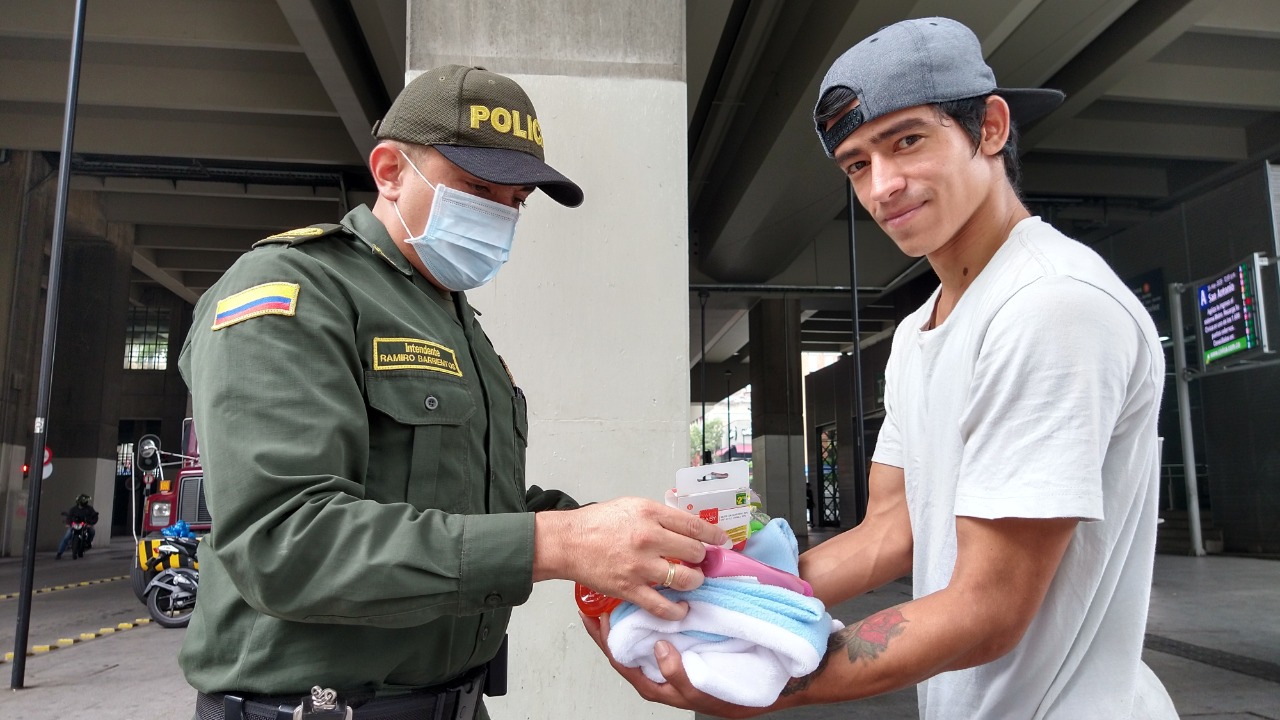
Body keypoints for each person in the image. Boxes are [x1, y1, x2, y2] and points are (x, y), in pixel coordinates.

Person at [584, 17, 1177, 719]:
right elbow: (894, 534)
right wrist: (722, 590)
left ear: (989, 128)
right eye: (858, 164)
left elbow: (989, 608)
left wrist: (769, 680)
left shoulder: (1051, 305)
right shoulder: (920, 331)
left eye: (907, 141)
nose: (883, 186)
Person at [178, 65, 727, 720]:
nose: (499, 215)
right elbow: (285, 542)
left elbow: (469, 499)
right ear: (389, 171)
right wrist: (560, 542)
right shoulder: (294, 292)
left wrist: (620, 531)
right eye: (475, 188)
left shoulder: (455, 321)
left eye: (515, 200)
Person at [55, 493, 98, 559]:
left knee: (92, 531)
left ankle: (88, 543)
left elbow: (94, 516)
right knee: (67, 537)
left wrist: (91, 523)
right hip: (75, 525)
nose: (84, 502)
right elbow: (69, 517)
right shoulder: (73, 509)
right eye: (83, 501)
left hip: (85, 525)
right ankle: (59, 553)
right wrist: (69, 524)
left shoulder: (89, 509)